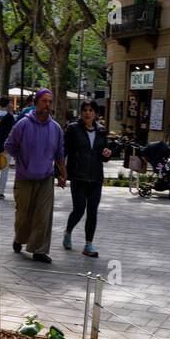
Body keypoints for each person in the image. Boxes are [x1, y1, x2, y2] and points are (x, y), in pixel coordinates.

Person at [3, 88, 67, 263]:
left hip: (46, 177)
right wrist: (20, 159)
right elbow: (9, 145)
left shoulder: (56, 129)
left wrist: (63, 175)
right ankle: (19, 238)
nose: (47, 105)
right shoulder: (22, 124)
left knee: (43, 215)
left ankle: (39, 250)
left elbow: (60, 154)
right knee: (23, 215)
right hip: (24, 177)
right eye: (44, 101)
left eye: (50, 102)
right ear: (36, 102)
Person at [62, 100, 113, 257]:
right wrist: (60, 172)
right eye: (85, 110)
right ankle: (68, 232)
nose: (87, 113)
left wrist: (107, 154)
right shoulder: (73, 129)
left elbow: (103, 155)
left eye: (91, 110)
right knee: (79, 209)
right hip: (78, 176)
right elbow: (63, 151)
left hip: (96, 177)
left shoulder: (101, 131)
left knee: (92, 211)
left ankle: (88, 244)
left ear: (95, 113)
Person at [0, 99, 18, 199]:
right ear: (8, 104)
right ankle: (0, 192)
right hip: (7, 147)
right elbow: (14, 133)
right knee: (4, 170)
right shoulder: (12, 117)